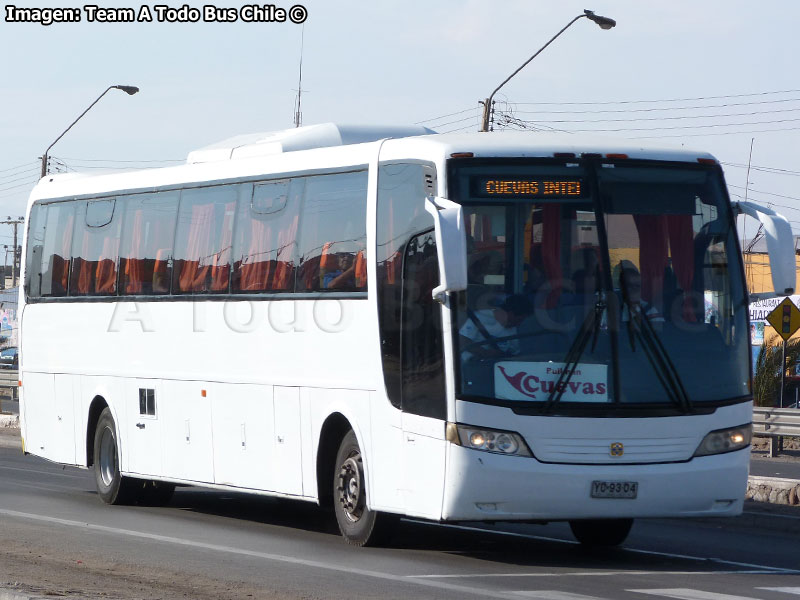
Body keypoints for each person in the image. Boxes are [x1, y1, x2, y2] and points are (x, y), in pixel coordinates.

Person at [459, 294, 532, 361]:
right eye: (519, 320)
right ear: (511, 313)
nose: (518, 324)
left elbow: (515, 352)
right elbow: (462, 341)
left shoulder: (512, 327)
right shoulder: (479, 318)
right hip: (470, 366)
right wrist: (485, 353)